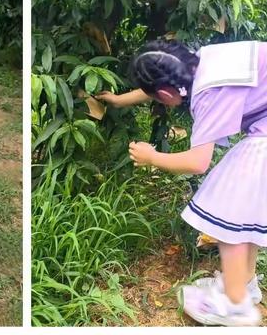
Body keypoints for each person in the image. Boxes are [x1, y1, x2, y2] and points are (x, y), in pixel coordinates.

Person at [96, 39, 267, 327]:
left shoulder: (210, 92)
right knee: (245, 206)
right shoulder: (201, 59)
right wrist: (117, 99)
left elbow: (197, 162)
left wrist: (152, 157)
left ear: (165, 93)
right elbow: (155, 88)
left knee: (230, 203)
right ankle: (243, 285)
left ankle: (235, 305)